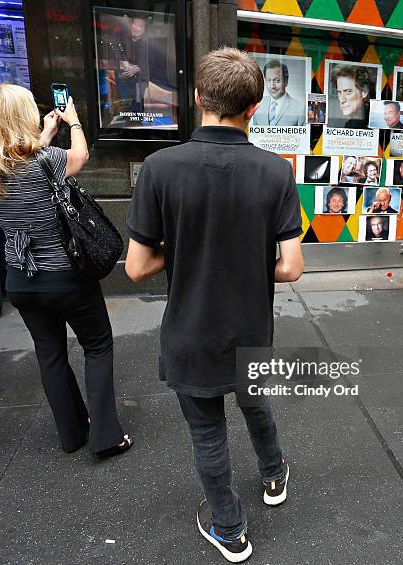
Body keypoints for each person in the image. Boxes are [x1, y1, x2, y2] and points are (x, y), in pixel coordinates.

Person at [125, 47, 303, 562]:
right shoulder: (275, 171)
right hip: (250, 328)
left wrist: (183, 248)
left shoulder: (160, 169)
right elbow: (290, 267)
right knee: (256, 404)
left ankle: (231, 529)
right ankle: (274, 476)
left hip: (190, 333)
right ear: (254, 107)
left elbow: (136, 268)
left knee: (208, 433)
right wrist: (249, 260)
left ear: (199, 98)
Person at [0, 84, 132, 457]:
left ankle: (72, 434)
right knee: (97, 345)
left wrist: (43, 135)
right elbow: (80, 156)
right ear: (19, 117)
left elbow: (21, 159)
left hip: (21, 278)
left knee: (50, 354)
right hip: (65, 275)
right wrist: (73, 123)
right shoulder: (47, 159)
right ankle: (106, 436)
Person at [252, 60, 306, 126]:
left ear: (286, 81)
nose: (272, 86)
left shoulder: (300, 108)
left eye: (277, 80)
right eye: (268, 80)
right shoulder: (258, 105)